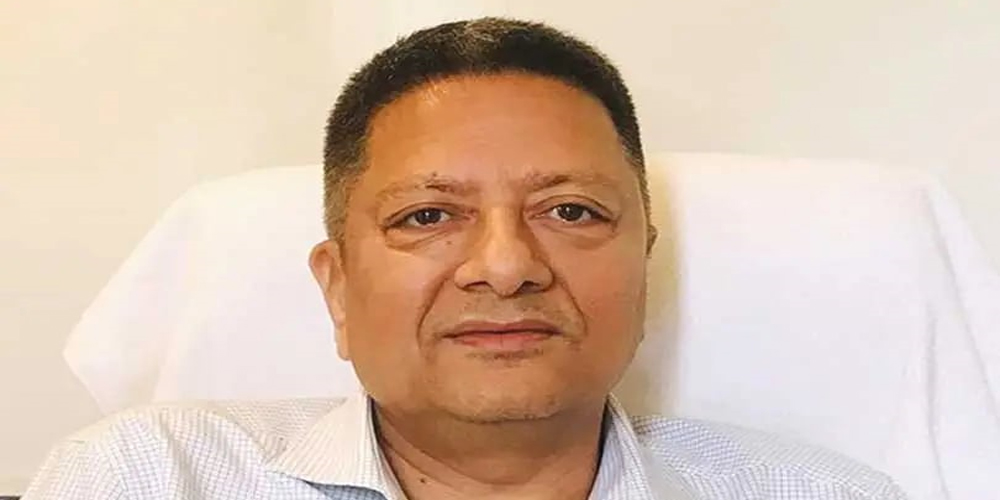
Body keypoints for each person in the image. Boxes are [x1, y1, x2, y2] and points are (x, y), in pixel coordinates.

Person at [24, 17, 908, 500]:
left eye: (571, 211)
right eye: (427, 216)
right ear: (337, 287)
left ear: (643, 265)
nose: (506, 266)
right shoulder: (151, 476)